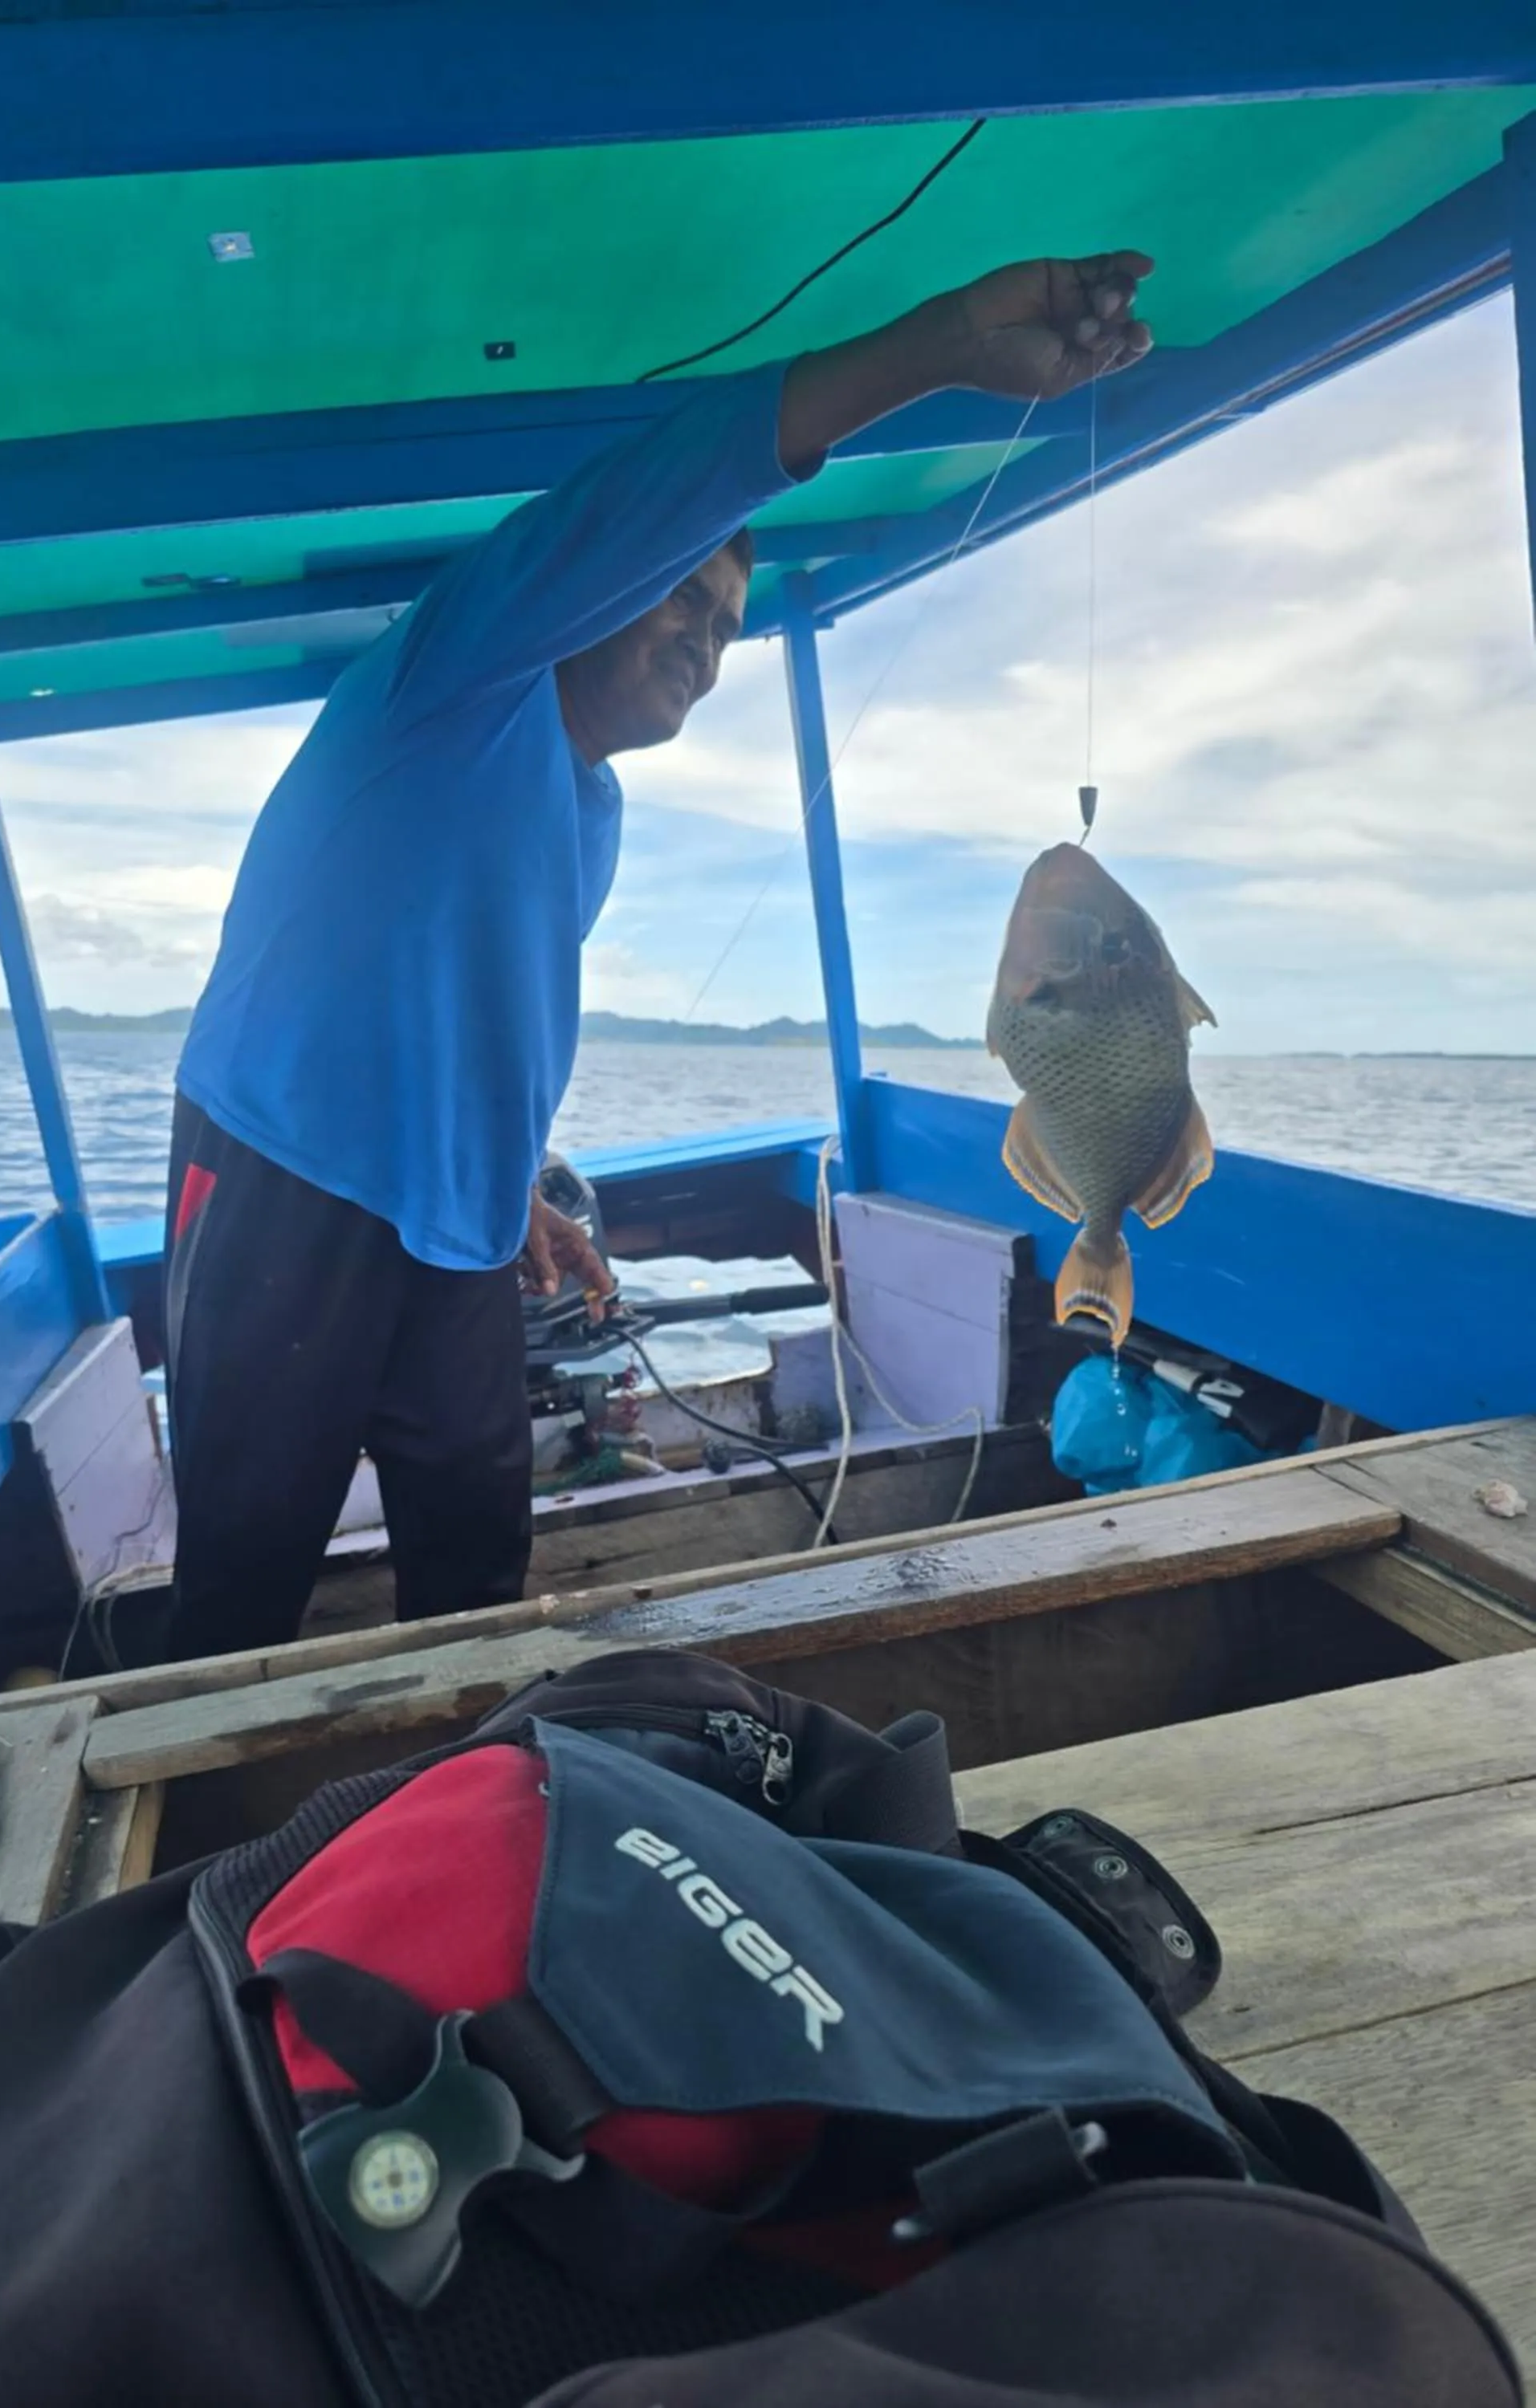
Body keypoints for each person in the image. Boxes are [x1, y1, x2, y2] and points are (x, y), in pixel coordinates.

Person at [162, 252, 1155, 1662]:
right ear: (588, 597)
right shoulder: (450, 680)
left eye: (722, 630)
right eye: (676, 600)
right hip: (281, 1173)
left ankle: (471, 1823)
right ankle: (207, 1852)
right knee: (243, 1571)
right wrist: (934, 346)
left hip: (453, 1224)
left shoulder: (594, 807)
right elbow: (658, 490)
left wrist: (511, 1194)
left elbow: (473, 1015)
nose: (700, 638)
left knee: (473, 1553)